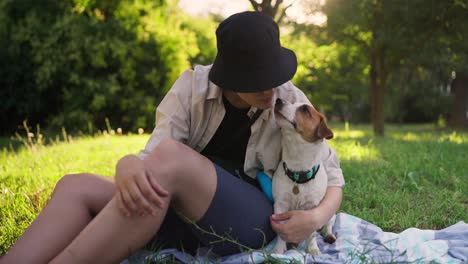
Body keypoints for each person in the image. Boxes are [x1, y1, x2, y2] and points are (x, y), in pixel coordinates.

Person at [0, 11, 344, 264]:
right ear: (229, 74)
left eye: (274, 75)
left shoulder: (289, 101)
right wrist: (128, 164)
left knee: (172, 159)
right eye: (258, 79)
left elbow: (333, 176)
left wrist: (314, 219)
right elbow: (152, 160)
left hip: (257, 220)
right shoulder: (193, 89)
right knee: (76, 186)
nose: (270, 87)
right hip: (182, 213)